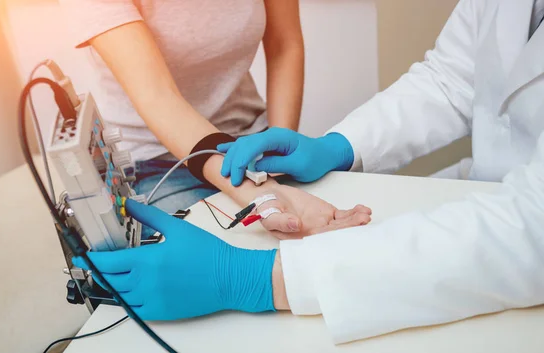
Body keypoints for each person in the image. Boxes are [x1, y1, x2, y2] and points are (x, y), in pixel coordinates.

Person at [74, 0, 544, 345]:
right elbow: (454, 78)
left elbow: (531, 229)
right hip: (159, 163)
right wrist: (337, 148)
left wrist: (253, 275)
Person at [58, 0, 371, 236]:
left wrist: (279, 143)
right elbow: (157, 94)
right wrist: (262, 194)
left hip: (252, 138)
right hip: (156, 162)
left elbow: (283, 43)